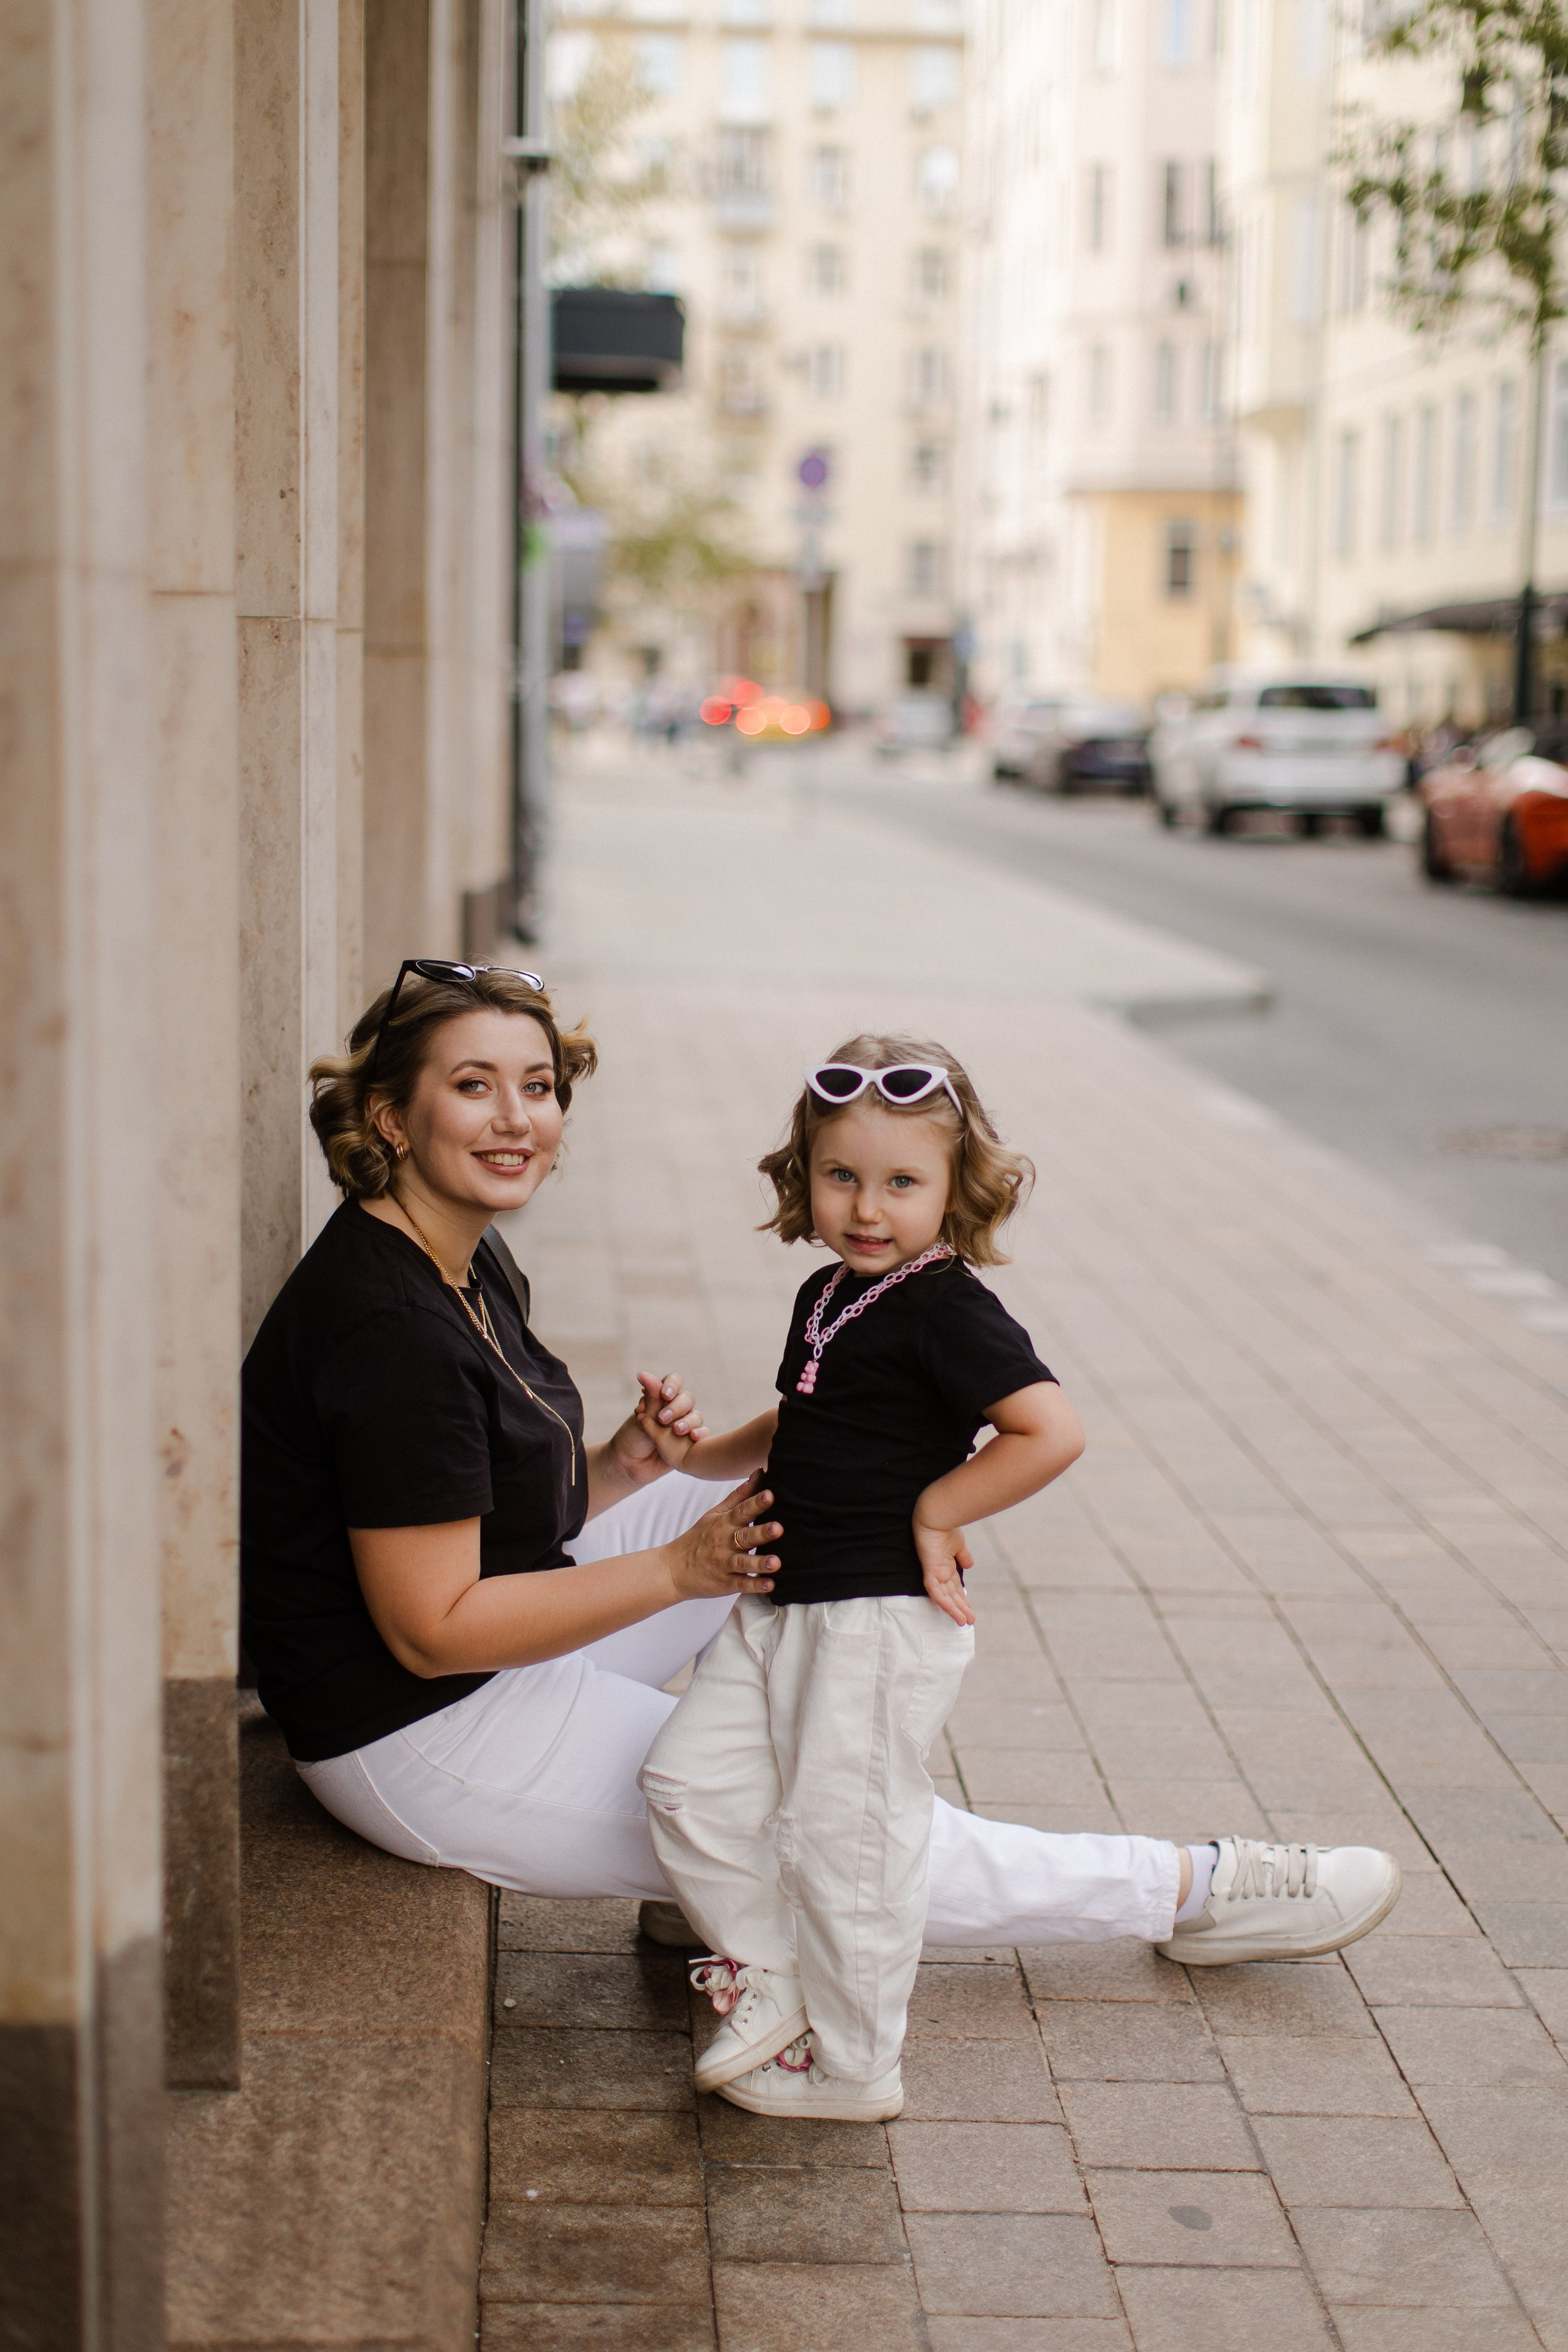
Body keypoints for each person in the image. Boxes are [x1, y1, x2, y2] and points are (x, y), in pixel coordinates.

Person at [239, 967, 1401, 2032]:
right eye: (473, 1087)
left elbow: (475, 1506)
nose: (516, 1120)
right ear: (391, 1118)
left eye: (536, 1087)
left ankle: (708, 1878)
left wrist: (629, 1469)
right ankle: (1193, 1889)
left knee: (786, 1500)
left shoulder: (459, 1251)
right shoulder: (389, 1332)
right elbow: (431, 1632)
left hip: (482, 1643)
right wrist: (680, 1568)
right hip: (420, 1731)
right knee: (824, 1823)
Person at [638, 1041, 1404, 2120]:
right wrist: (699, 1455)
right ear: (804, 1175)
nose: (868, 1207)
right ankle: (773, 1978)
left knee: (851, 1845)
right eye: (842, 1176)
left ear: (955, 1189)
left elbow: (1051, 1430)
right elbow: (804, 1415)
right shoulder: (829, 1291)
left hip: (870, 1621)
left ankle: (855, 2066)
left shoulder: (947, 1307)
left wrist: (938, 1510)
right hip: (778, 1604)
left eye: (902, 1182)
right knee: (686, 1783)